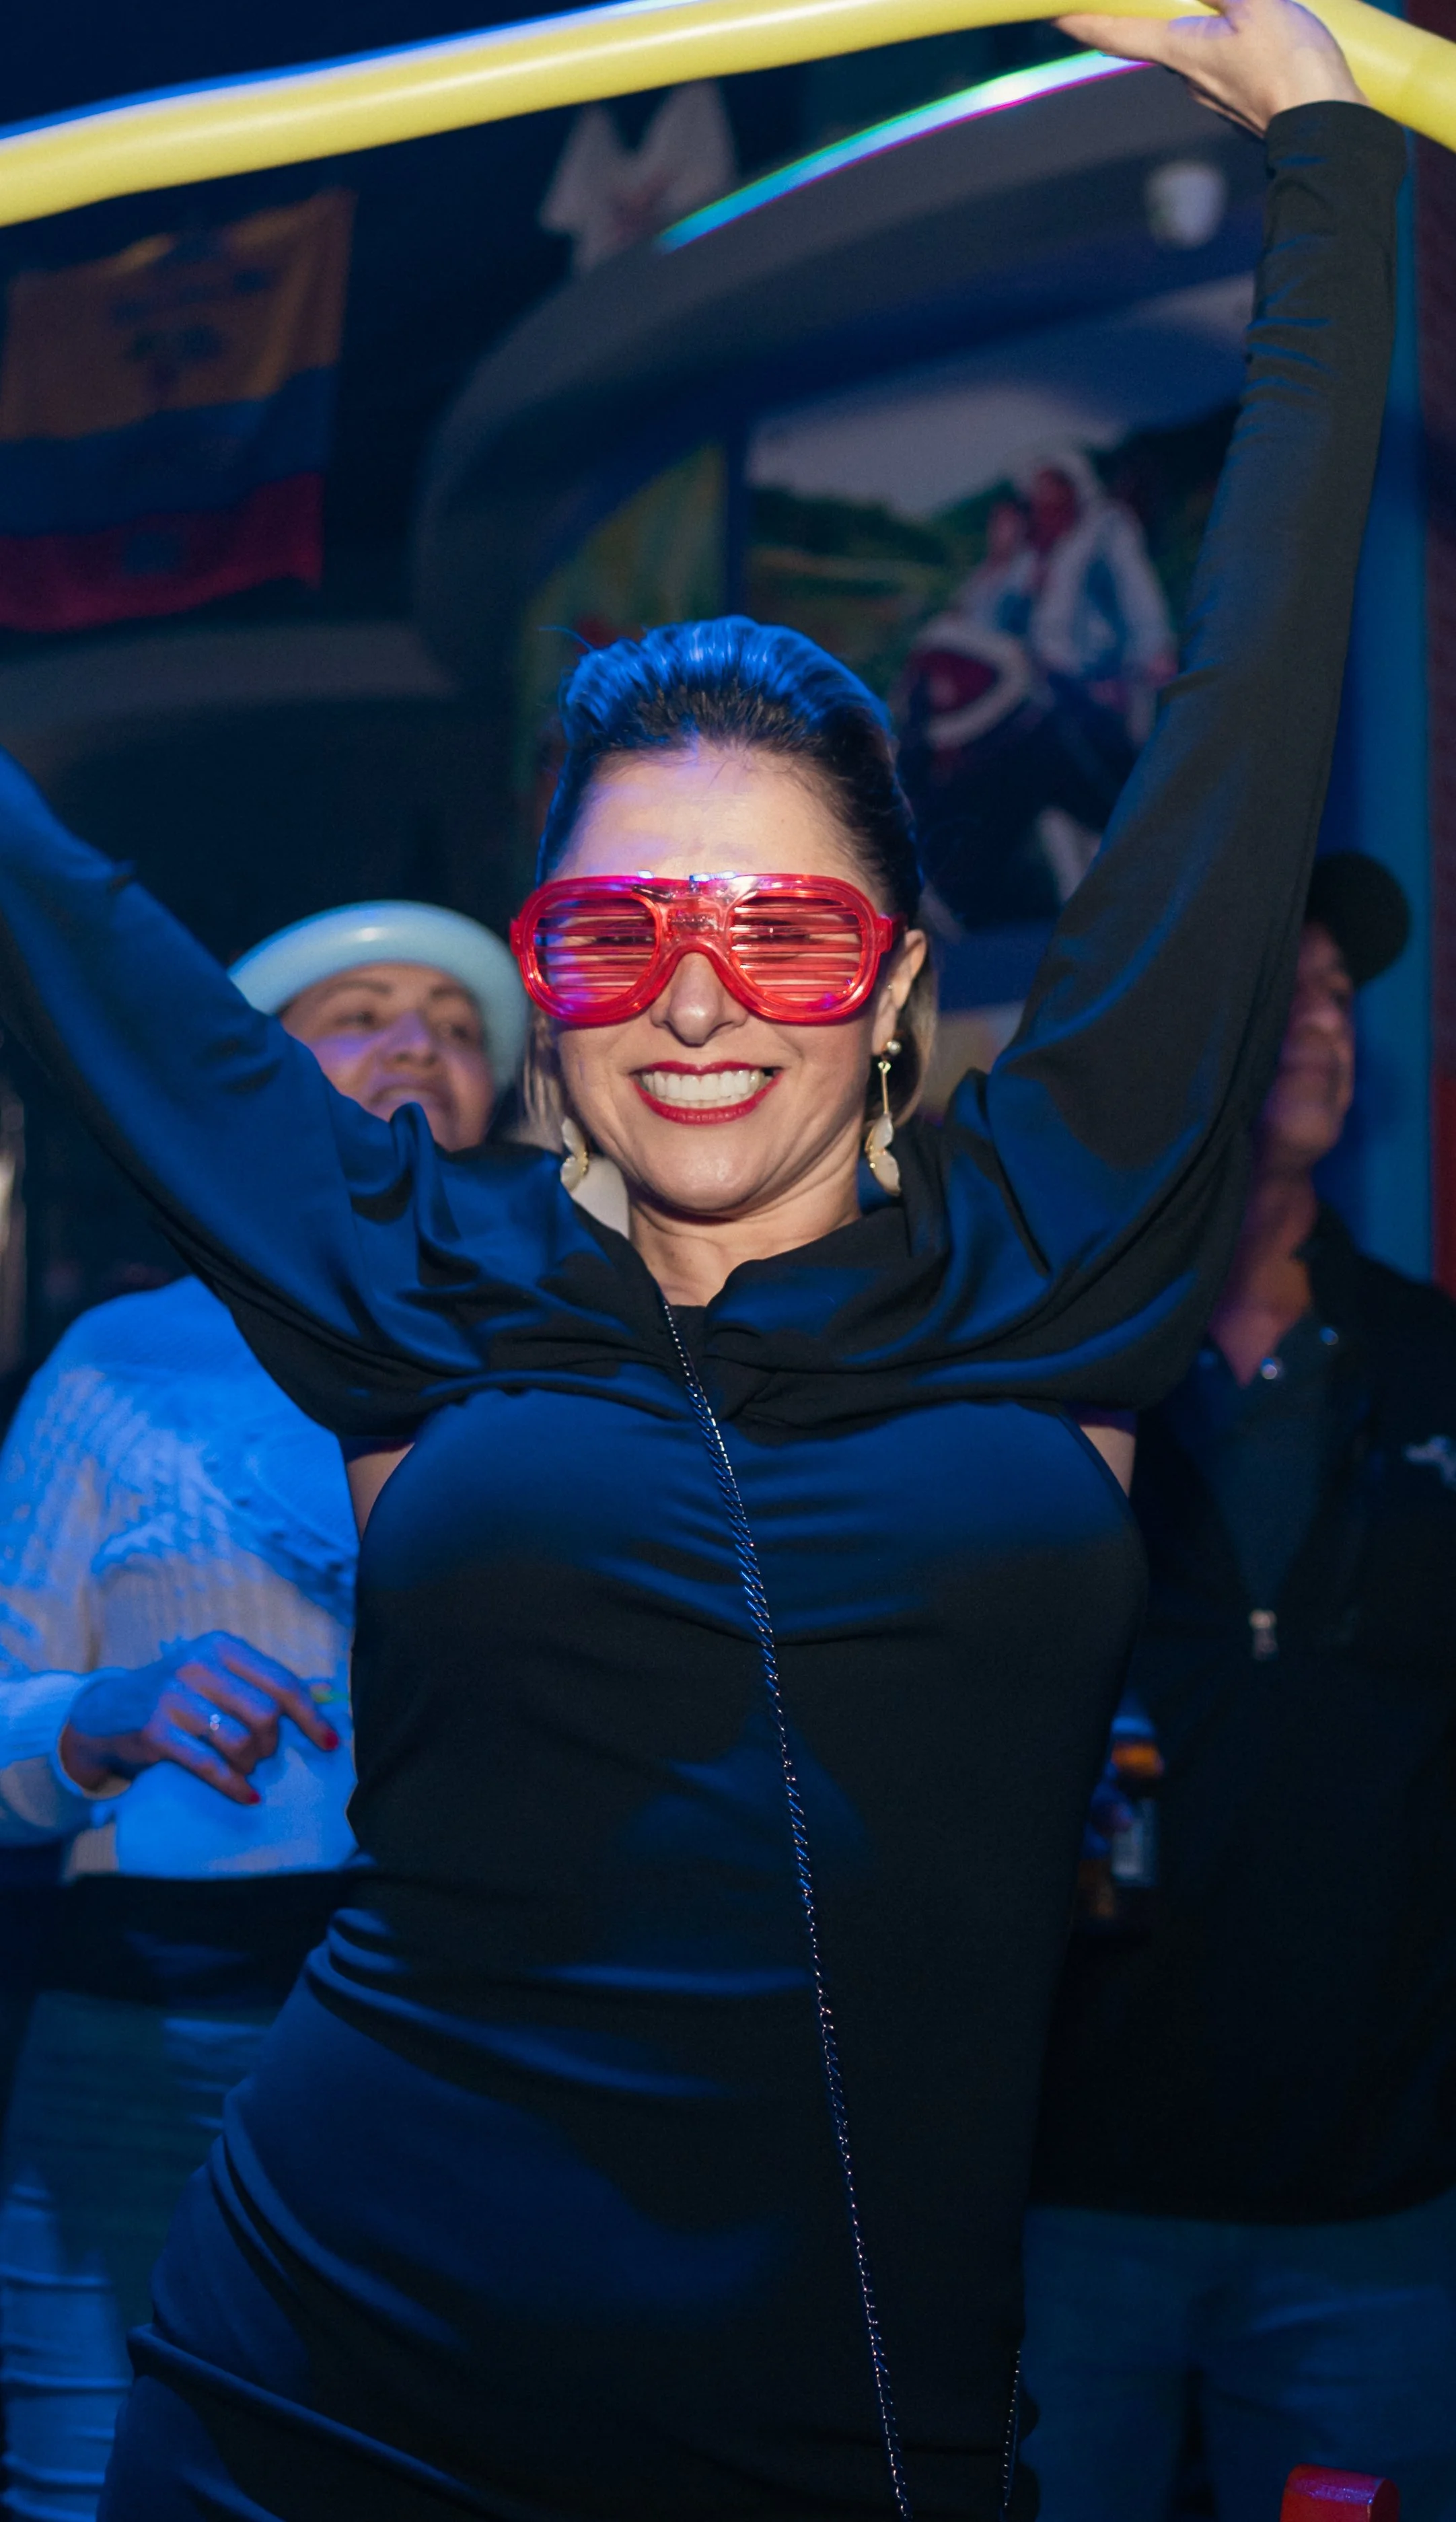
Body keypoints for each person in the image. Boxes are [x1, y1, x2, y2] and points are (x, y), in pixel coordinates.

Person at [0, 6, 1401, 2509]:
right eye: (615, 931)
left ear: (889, 982)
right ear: (547, 981)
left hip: (838, 2421)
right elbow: (63, 916)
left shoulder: (1055, 1245)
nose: (692, 999)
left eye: (778, 930)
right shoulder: (411, 1269)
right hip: (321, 2378)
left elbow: (1246, 708)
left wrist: (1321, 161)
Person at [0, 902, 525, 2522]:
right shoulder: (122, 1357)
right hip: (152, 2030)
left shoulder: (550, 1366)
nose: (419, 1042)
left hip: (465, 2042)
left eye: (455, 1024)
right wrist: (103, 1707)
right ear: (244, 1079)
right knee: (96, 2485)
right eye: (360, 1011)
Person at [1025, 853, 1456, 2522]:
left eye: (1341, 996)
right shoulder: (1044, 1368)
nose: (1324, 1024)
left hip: (1376, 2210)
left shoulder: (1429, 1360)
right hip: (1064, 2188)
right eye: (1285, 990)